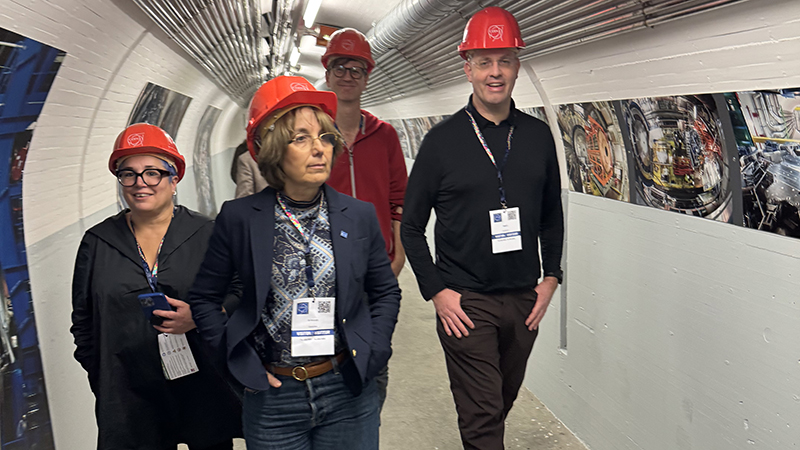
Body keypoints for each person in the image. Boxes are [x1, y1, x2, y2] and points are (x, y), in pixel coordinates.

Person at [186, 76, 401, 450]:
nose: (319, 149)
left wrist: (374, 349)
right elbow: (205, 299)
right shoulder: (239, 218)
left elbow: (385, 291)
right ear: (272, 149)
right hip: (273, 396)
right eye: (300, 138)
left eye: (324, 137)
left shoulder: (358, 215)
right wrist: (236, 360)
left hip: (346, 388)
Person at [400, 7, 564, 450]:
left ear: (517, 66)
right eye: (485, 61)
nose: (496, 72)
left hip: (523, 301)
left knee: (500, 402)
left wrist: (551, 280)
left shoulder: (537, 136)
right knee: (483, 419)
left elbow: (551, 213)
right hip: (465, 302)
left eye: (505, 60)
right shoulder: (441, 142)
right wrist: (438, 291)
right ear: (467, 67)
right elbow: (411, 228)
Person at [70, 123, 242, 449]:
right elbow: (83, 321)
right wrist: (106, 376)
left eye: (152, 173)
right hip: (128, 395)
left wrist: (204, 316)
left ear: (173, 179)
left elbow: (239, 292)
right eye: (128, 174)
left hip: (202, 386)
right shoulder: (98, 242)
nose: (139, 183)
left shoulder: (207, 232)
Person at [321, 27, 408, 412]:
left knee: (373, 355)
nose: (347, 75)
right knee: (323, 354)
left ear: (367, 77)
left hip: (375, 268)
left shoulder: (385, 135)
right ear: (327, 72)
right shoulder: (313, 133)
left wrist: (399, 253)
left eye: (357, 68)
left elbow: (399, 199)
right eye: (340, 65)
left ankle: (364, 422)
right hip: (322, 267)